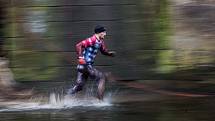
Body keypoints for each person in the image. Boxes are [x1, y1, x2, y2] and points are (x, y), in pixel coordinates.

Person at [67, 25, 116, 100]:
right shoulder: (92, 40)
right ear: (99, 32)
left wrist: (109, 53)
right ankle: (100, 102)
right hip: (85, 65)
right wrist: (80, 57)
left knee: (80, 86)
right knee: (101, 78)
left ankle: (65, 98)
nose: (105, 34)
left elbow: (103, 51)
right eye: (104, 32)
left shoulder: (100, 42)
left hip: (83, 67)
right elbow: (78, 45)